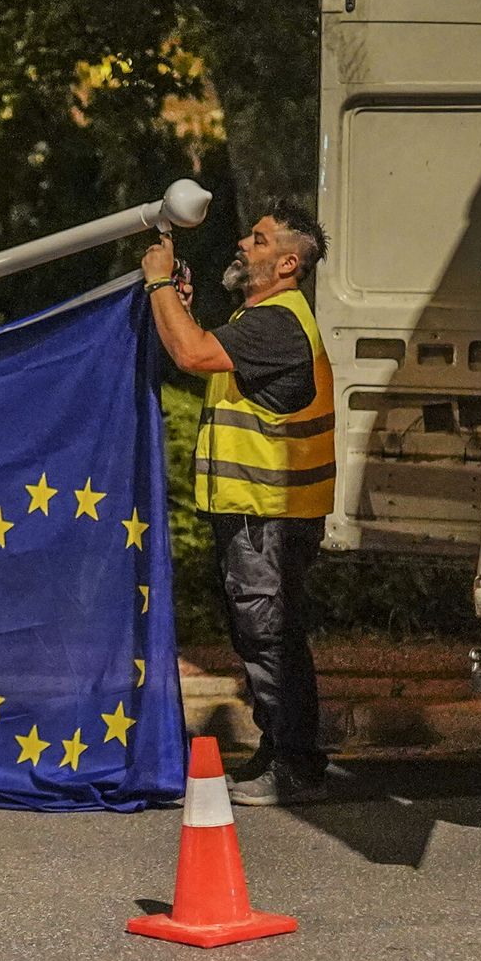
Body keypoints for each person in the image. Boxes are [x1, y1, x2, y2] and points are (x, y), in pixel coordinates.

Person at [142, 203, 335, 806]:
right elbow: (202, 350)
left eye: (259, 240)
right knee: (272, 635)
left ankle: (292, 765)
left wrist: (157, 284)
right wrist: (178, 307)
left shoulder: (276, 322)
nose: (243, 246)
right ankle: (288, 756)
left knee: (268, 637)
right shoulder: (261, 322)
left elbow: (192, 355)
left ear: (288, 263)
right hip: (265, 511)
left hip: (266, 513)